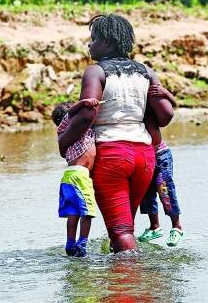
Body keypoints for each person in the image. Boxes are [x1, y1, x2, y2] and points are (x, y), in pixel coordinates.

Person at [58, 13, 174, 252]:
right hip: (144, 157)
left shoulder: (96, 72)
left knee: (121, 232)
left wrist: (63, 140)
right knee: (124, 227)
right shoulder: (146, 72)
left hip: (112, 155)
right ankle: (134, 282)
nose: (89, 44)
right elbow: (165, 116)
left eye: (94, 39)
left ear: (108, 42)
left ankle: (127, 284)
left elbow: (87, 114)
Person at [52, 98, 100, 257]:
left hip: (70, 176)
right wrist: (83, 103)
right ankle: (82, 243)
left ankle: (70, 243)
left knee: (74, 213)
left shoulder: (77, 131)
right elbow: (71, 114)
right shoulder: (65, 129)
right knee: (87, 212)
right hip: (79, 176)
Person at [138, 85, 184, 246]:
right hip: (143, 156)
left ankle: (177, 227)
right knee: (146, 192)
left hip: (159, 154)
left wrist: (166, 93)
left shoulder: (150, 108)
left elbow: (172, 106)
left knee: (165, 189)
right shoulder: (130, 111)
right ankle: (154, 226)